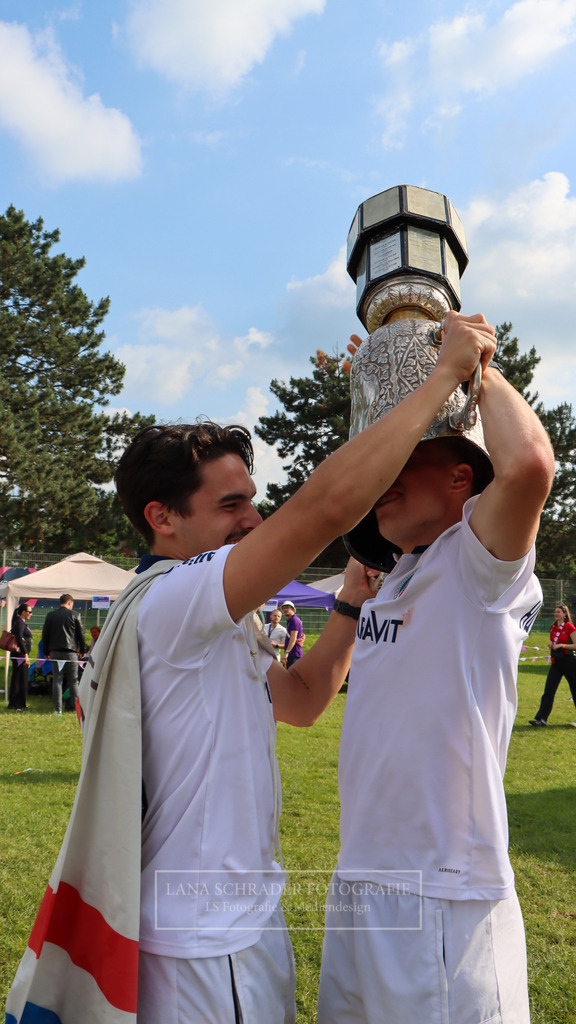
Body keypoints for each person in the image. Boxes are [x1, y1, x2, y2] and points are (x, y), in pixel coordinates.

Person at [7, 313, 519, 1024]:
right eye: (231, 504)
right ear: (162, 517)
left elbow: (305, 700)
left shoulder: (209, 618)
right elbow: (328, 507)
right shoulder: (172, 602)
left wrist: (346, 605)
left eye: (252, 498)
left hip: (245, 931)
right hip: (199, 947)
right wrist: (441, 378)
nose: (253, 519)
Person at [316, 312, 555, 1024]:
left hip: (444, 894)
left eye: (404, 462)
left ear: (461, 477)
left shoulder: (477, 567)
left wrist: (470, 362)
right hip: (358, 878)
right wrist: (395, 376)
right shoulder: (393, 574)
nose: (382, 476)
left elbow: (530, 465)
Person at [529, 604, 576, 727]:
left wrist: (562, 645)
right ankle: (541, 719)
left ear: (565, 614)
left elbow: (575, 645)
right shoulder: (553, 627)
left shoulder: (570, 627)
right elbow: (553, 641)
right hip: (556, 662)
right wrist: (550, 643)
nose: (556, 614)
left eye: (559, 612)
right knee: (548, 691)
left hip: (569, 662)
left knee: (574, 690)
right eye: (555, 611)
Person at [41, 594, 86, 715]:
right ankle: (76, 709)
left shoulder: (50, 615)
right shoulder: (75, 615)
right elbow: (80, 633)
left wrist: (46, 651)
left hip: (55, 651)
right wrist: (83, 649)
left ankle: (58, 709)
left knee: (57, 679)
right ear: (70, 603)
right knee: (73, 680)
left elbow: (45, 634)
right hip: (71, 651)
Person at [7, 604, 33, 711]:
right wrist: (25, 654)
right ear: (23, 612)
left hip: (21, 655)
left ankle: (21, 703)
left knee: (22, 678)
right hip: (20, 656)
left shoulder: (21, 623)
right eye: (29, 612)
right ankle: (16, 703)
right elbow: (19, 639)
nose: (31, 614)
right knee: (19, 679)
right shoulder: (19, 623)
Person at [281, 600, 304, 667]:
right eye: (283, 608)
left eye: (287, 607)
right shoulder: (291, 620)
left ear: (293, 609)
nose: (285, 609)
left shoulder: (294, 620)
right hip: (292, 653)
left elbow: (293, 638)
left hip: (294, 653)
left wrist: (286, 653)